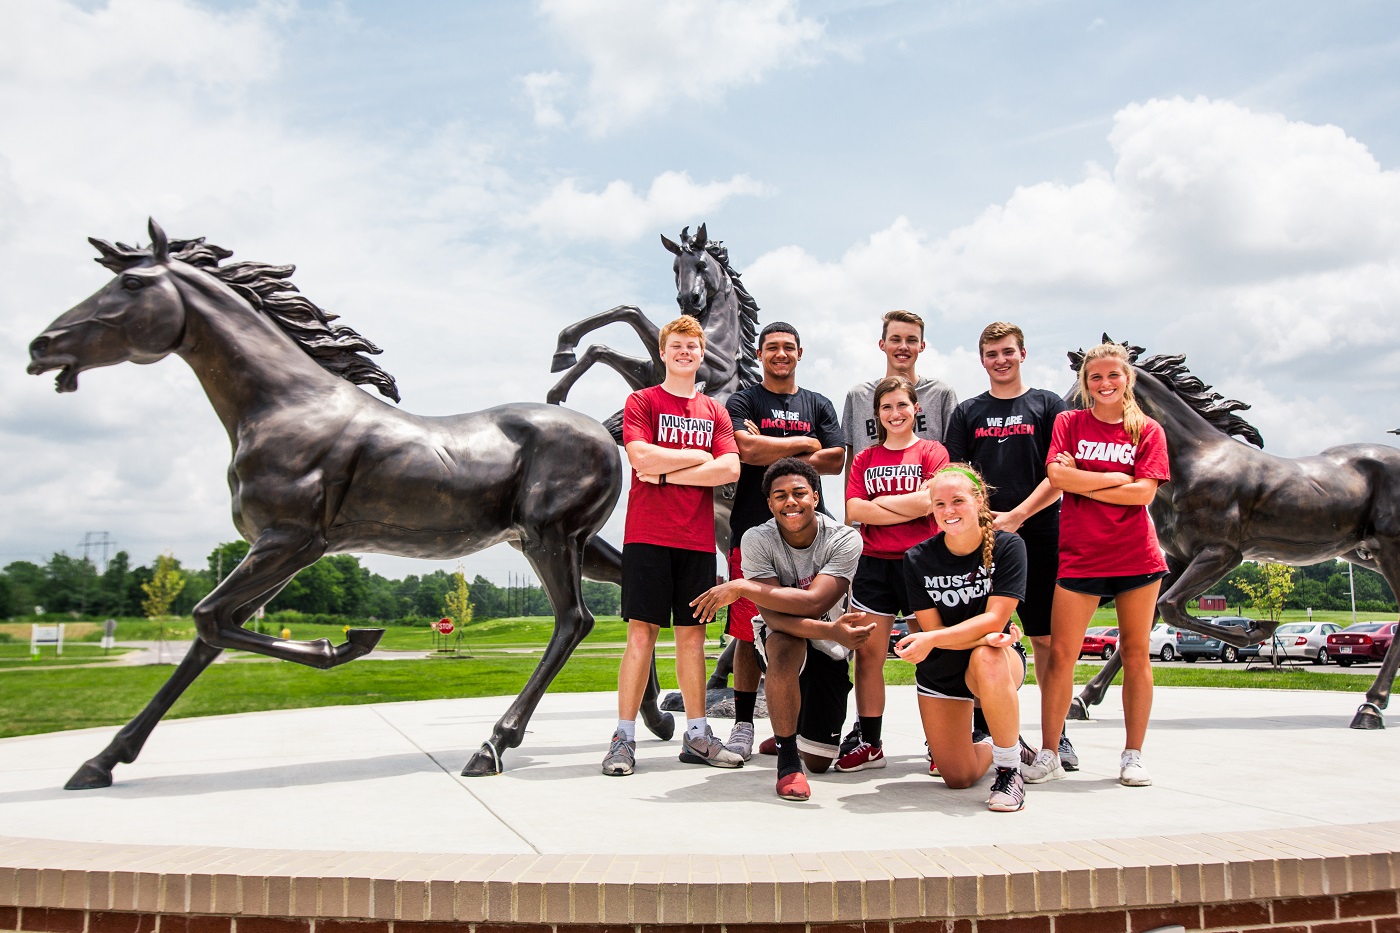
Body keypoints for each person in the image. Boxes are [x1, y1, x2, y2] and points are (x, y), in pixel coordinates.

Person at [1022, 341, 1171, 787]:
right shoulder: (1070, 422)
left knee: (1135, 652)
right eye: (1095, 377)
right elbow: (1056, 476)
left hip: (1136, 555)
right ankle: (1050, 752)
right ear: (1086, 384)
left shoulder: (1147, 430)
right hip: (1082, 555)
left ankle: (1132, 755)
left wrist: (1082, 482)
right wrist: (1113, 479)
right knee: (1061, 656)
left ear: (1129, 379)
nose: (1105, 384)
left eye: (1113, 375)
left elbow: (1144, 494)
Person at [603, 315, 742, 776]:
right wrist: (699, 458)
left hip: (697, 541)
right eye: (676, 345)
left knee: (693, 637)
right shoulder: (642, 400)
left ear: (702, 354)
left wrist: (666, 472)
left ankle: (697, 735)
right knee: (640, 635)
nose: (685, 352)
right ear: (663, 353)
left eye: (692, 346)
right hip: (647, 535)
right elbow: (639, 455)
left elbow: (730, 470)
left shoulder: (715, 411)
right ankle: (623, 739)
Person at [691, 458, 871, 800]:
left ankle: (792, 729)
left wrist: (743, 587)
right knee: (784, 647)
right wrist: (833, 631)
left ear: (815, 497)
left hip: (829, 642)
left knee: (819, 760)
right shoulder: (756, 539)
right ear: (770, 503)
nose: (791, 501)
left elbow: (815, 602)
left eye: (800, 492)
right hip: (787, 633)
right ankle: (788, 761)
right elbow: (773, 618)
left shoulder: (844, 538)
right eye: (780, 495)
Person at [943, 322, 1076, 769]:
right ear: (981, 360)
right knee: (981, 632)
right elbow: (958, 477)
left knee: (1046, 640)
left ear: (1023, 353)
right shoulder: (967, 412)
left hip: (1039, 533)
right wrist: (983, 522)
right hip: (981, 539)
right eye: (992, 353)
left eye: (1007, 351)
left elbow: (1060, 474)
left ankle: (1057, 737)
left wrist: (1018, 516)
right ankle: (987, 728)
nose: (1000, 359)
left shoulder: (1048, 405)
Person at [720, 322, 844, 760]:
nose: (780, 354)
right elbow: (745, 451)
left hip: (812, 536)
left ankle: (799, 724)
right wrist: (806, 441)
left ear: (800, 352)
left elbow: (834, 460)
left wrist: (769, 442)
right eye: (772, 347)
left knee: (810, 631)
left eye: (788, 347)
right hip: (754, 534)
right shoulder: (744, 399)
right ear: (760, 353)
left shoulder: (818, 402)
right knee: (746, 632)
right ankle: (740, 724)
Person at [895, 465, 1029, 812]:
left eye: (957, 500)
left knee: (988, 658)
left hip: (995, 659)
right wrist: (979, 636)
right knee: (957, 777)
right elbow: (935, 631)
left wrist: (937, 640)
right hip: (944, 665)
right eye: (939, 504)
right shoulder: (917, 558)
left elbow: (994, 619)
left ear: (979, 499)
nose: (948, 511)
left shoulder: (1009, 546)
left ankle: (1010, 770)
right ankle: (997, 741)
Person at [837, 375, 950, 771]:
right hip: (874, 565)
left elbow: (930, 503)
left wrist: (881, 503)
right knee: (868, 657)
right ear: (878, 414)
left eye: (902, 405)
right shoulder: (866, 458)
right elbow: (854, 510)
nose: (895, 413)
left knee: (931, 655)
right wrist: (907, 505)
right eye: (887, 407)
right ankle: (870, 741)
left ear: (915, 408)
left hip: (923, 563)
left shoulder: (933, 452)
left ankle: (942, 743)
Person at [841, 310, 958, 486]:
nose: (903, 346)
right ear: (882, 344)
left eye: (911, 340)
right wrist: (850, 510)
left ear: (922, 346)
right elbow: (851, 458)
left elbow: (954, 459)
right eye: (895, 339)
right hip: (871, 505)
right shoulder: (859, 396)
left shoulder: (940, 393)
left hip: (927, 503)